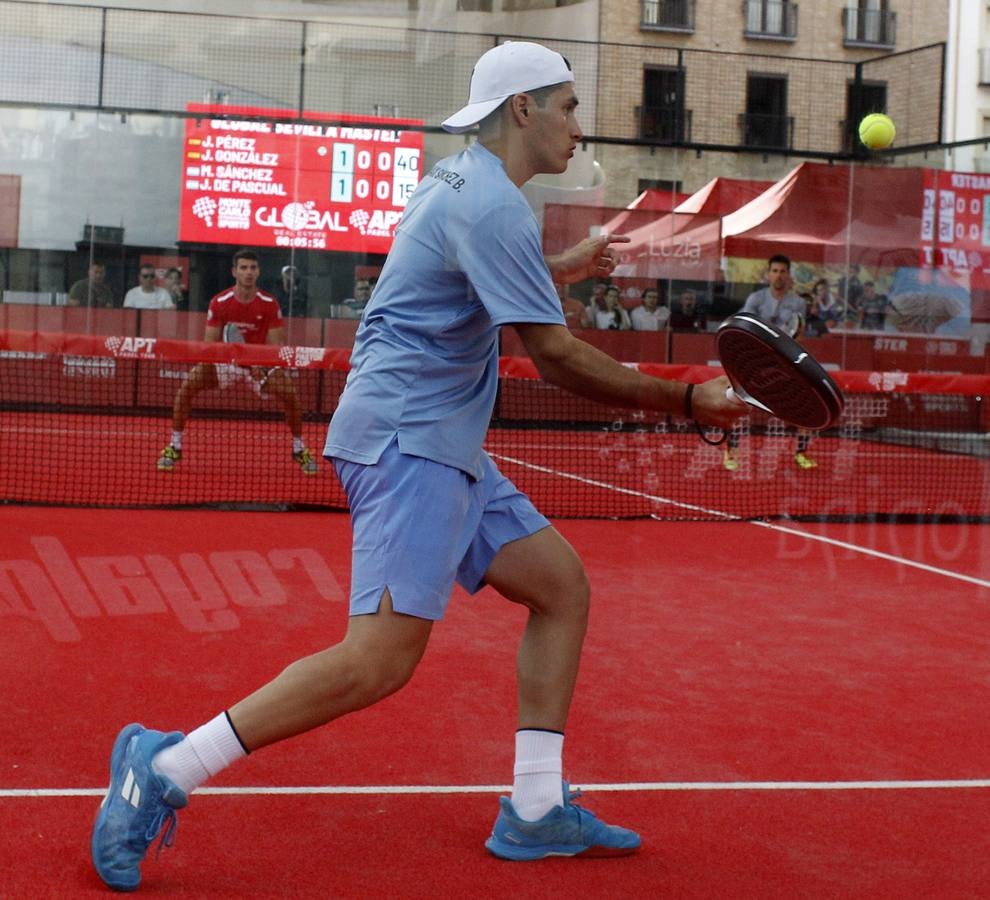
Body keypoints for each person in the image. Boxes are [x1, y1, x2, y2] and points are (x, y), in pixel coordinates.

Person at [92, 41, 743, 891]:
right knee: (378, 662)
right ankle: (167, 765)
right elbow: (556, 358)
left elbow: (460, 279)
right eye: (569, 106)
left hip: (439, 443)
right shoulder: (493, 207)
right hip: (408, 442)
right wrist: (689, 401)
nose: (580, 126)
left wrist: (562, 269)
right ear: (523, 108)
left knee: (559, 587)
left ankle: (538, 809)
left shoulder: (460, 182)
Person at [154, 249, 318, 477]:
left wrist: (256, 365)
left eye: (252, 268)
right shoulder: (220, 302)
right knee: (186, 389)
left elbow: (275, 347)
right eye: (243, 268)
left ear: (258, 272)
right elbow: (210, 346)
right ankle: (175, 446)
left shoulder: (269, 304)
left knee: (291, 396)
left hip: (259, 363)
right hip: (226, 362)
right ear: (235, 272)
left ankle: (299, 448)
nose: (248, 272)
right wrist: (239, 362)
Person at [740, 255, 806, 334]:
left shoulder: (799, 303)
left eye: (782, 271)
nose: (778, 276)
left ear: (788, 275)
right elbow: (747, 327)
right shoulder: (755, 298)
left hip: (785, 344)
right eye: (775, 271)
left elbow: (799, 334)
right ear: (769, 274)